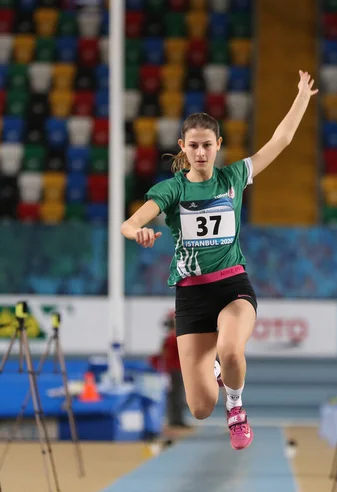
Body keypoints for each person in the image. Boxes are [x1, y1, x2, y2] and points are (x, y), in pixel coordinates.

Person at [121, 70, 318, 450]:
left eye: (207, 145)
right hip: (192, 297)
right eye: (192, 145)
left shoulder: (233, 177)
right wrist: (139, 232)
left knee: (231, 350)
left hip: (232, 286)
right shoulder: (173, 188)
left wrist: (302, 98)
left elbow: (282, 139)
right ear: (182, 145)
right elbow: (130, 223)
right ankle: (214, 373)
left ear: (218, 145)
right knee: (197, 407)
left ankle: (237, 408)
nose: (200, 153)